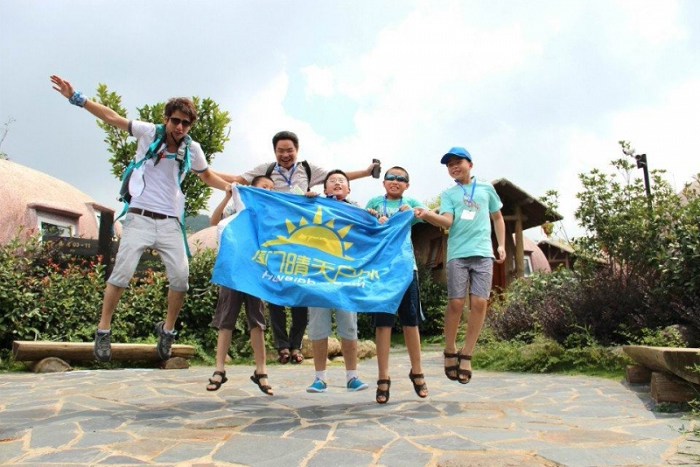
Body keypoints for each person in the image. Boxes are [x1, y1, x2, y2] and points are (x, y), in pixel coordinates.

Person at [50, 75, 230, 362]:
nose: (180, 127)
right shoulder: (149, 133)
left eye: (185, 123)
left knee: (181, 279)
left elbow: (207, 175)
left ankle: (167, 331)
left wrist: (232, 188)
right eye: (175, 121)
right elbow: (112, 118)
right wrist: (77, 98)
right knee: (122, 274)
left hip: (171, 223)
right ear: (166, 119)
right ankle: (103, 330)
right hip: (140, 217)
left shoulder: (192, 149)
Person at [214, 131, 380, 365]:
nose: (285, 154)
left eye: (289, 150)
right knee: (275, 291)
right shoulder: (266, 170)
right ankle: (282, 345)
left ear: (297, 150)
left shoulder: (308, 169)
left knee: (301, 289)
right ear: (274, 151)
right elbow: (237, 180)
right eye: (280, 150)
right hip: (276, 237)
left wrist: (365, 172)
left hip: (301, 238)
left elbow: (336, 178)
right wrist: (205, 171)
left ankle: (296, 345)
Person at [415, 147, 506, 384]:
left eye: (458, 162)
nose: (454, 167)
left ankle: (467, 353)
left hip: (483, 253)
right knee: (456, 302)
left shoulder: (486, 188)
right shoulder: (449, 194)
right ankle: (450, 348)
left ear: (470, 164)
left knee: (480, 302)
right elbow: (447, 221)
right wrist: (426, 214)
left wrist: (501, 245)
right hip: (458, 255)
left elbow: (497, 217)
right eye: (449, 165)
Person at [207, 175, 275, 395]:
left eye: (271, 188)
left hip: (255, 274)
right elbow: (214, 221)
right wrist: (228, 197)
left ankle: (261, 371)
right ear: (251, 189)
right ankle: (219, 369)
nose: (268, 191)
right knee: (226, 320)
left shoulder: (270, 215)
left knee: (257, 321)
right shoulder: (236, 211)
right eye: (264, 187)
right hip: (233, 273)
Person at [365, 166, 427, 404]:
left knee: (411, 322)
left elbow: (429, 214)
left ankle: (417, 372)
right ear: (383, 182)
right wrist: (372, 219)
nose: (395, 181)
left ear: (407, 186)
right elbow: (362, 227)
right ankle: (383, 377)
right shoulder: (374, 202)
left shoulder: (411, 203)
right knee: (383, 324)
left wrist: (413, 212)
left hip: (406, 269)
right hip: (381, 272)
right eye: (390, 177)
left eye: (401, 179)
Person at [305, 170, 369, 393]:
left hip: (346, 277)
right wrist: (307, 200)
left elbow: (372, 231)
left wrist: (373, 216)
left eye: (342, 181)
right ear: (325, 189)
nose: (337, 183)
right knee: (318, 328)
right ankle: (319, 378)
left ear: (349, 189)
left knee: (349, 327)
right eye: (332, 181)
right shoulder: (314, 205)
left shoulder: (358, 211)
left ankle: (352, 377)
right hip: (318, 276)